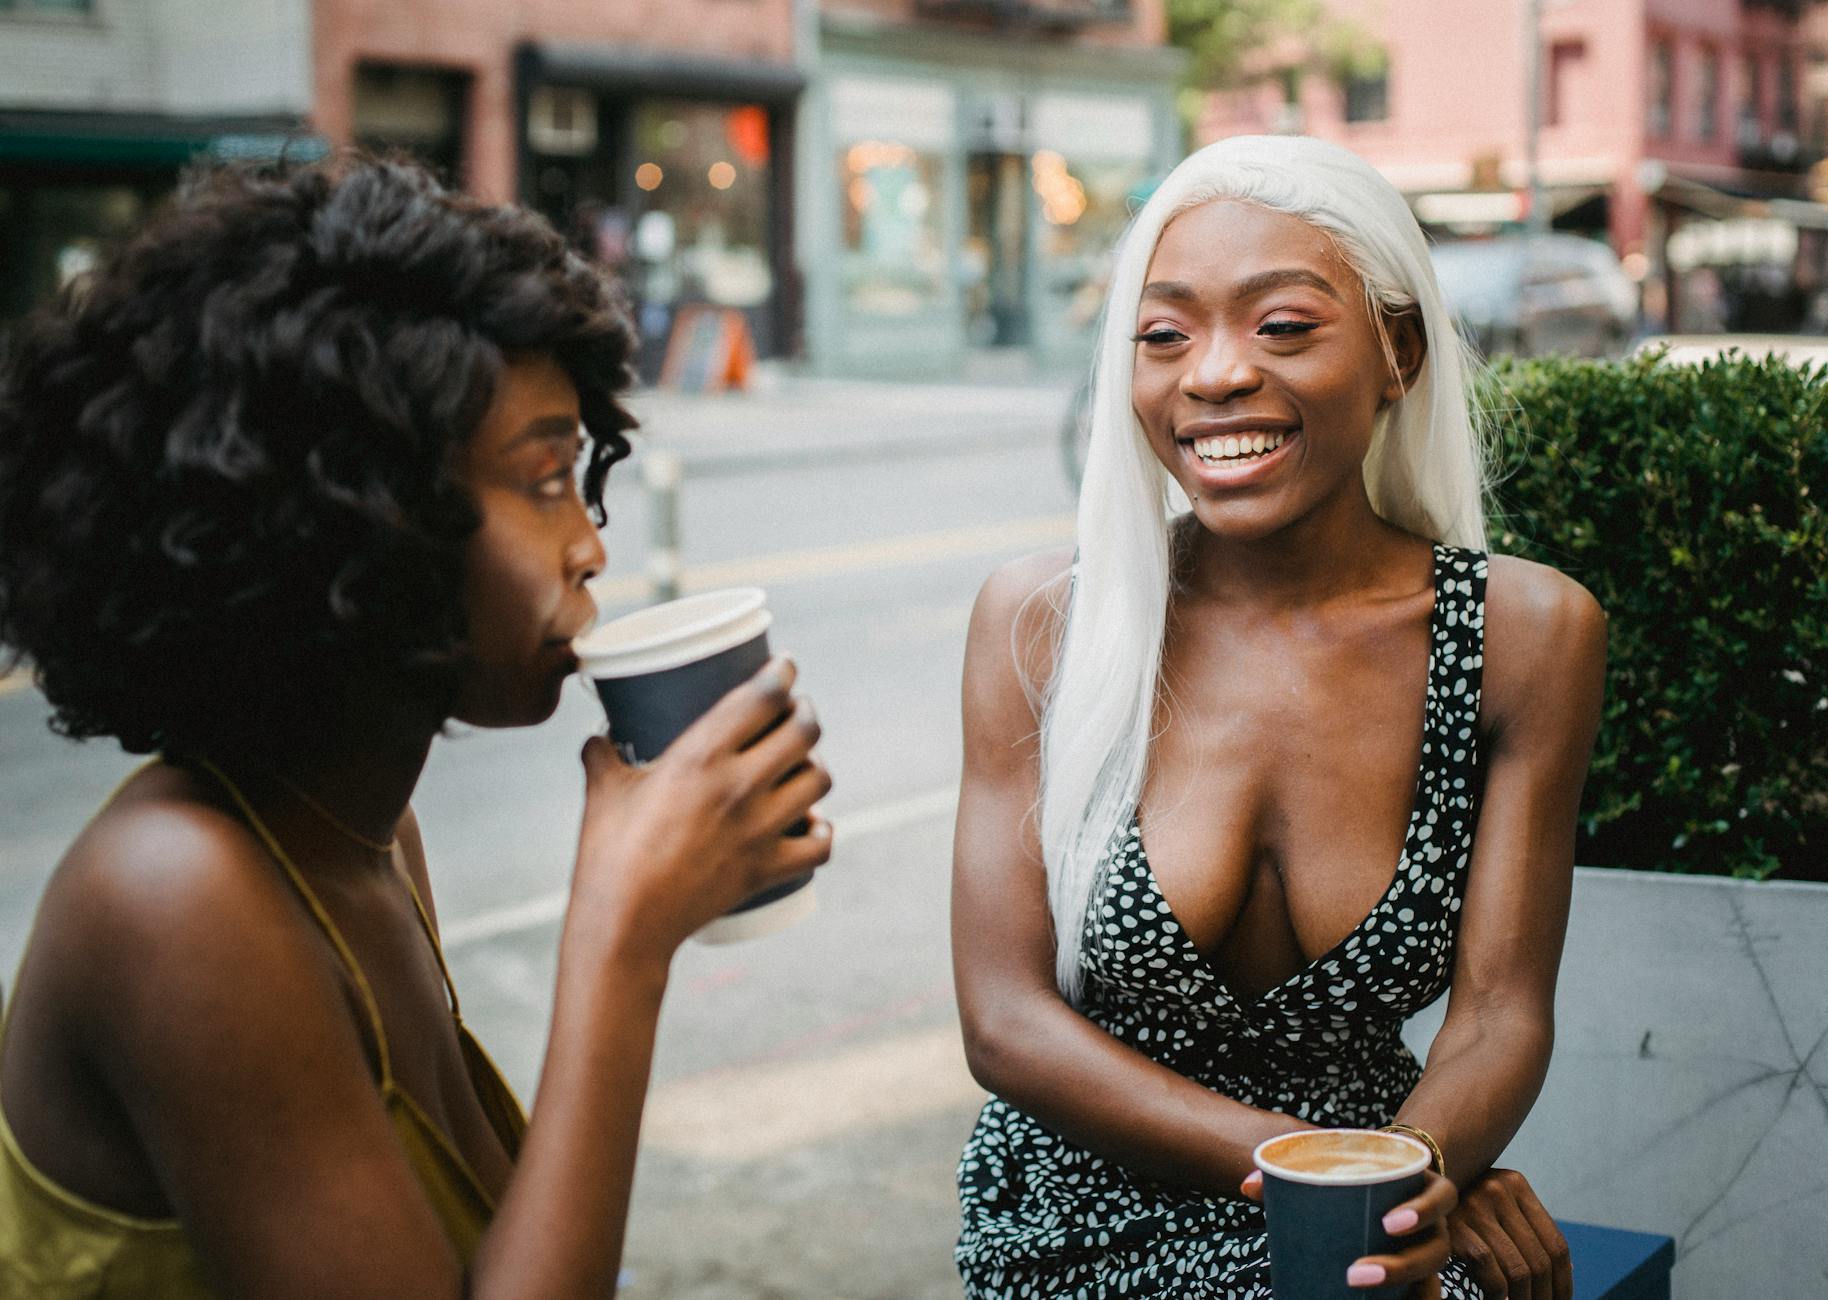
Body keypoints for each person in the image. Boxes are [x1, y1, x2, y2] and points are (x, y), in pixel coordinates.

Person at [0, 155, 832, 1297]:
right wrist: (617, 944)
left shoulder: (366, 831)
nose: (589, 543)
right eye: (543, 480)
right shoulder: (180, 896)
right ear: (352, 515)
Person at [952, 134, 1606, 1300]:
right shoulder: (1044, 622)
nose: (1212, 374)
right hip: (1079, 1219)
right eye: (1165, 335)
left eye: (1283, 325)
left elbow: (1501, 1011)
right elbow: (1004, 1020)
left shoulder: (1526, 636)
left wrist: (1423, 1177)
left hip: (1371, 1217)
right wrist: (1333, 1171)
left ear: (1397, 351)